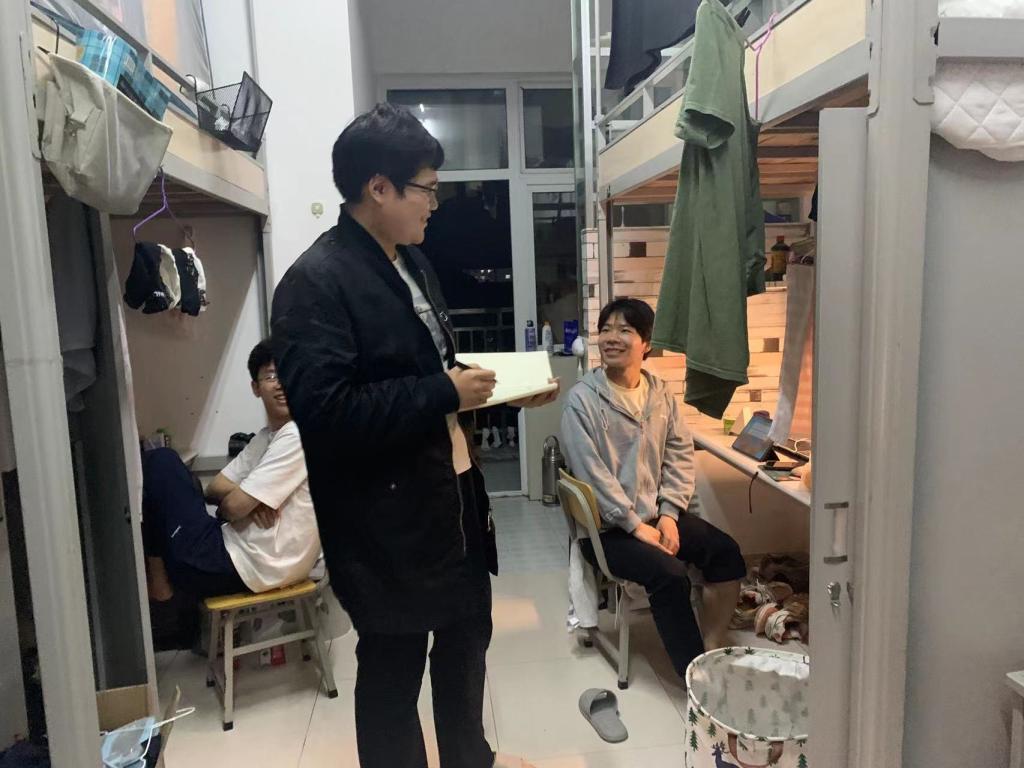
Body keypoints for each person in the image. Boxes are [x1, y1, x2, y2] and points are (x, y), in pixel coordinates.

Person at [270, 103, 556, 768]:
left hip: (452, 496)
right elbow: (327, 411)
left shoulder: (412, 264)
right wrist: (445, 393)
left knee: (466, 642)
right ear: (379, 187)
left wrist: (500, 390)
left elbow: (433, 371)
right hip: (385, 521)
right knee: (394, 666)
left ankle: (468, 758)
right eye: (426, 188)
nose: (435, 202)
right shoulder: (316, 282)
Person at [561, 298, 745, 678]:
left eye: (624, 330)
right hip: (608, 530)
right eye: (605, 330)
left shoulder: (660, 394)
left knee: (725, 552)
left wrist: (670, 514)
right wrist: (634, 525)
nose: (611, 338)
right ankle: (694, 676)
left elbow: (679, 454)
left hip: (656, 515)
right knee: (670, 574)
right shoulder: (582, 401)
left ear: (646, 343)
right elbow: (593, 475)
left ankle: (711, 644)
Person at [144, 340, 320, 648]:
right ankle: (162, 587)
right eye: (271, 376)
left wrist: (242, 504)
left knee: (161, 460)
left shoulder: (298, 434)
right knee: (187, 482)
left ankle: (160, 585)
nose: (281, 384)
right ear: (256, 388)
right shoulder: (267, 437)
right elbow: (216, 488)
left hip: (248, 565)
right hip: (243, 557)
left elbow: (232, 507)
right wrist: (251, 501)